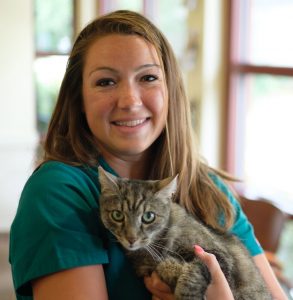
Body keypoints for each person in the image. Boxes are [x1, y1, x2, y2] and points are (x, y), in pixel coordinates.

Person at [9, 10, 287, 300]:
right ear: (79, 98)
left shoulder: (207, 188)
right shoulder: (59, 193)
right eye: (106, 81)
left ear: (170, 91)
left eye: (148, 77)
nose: (130, 100)